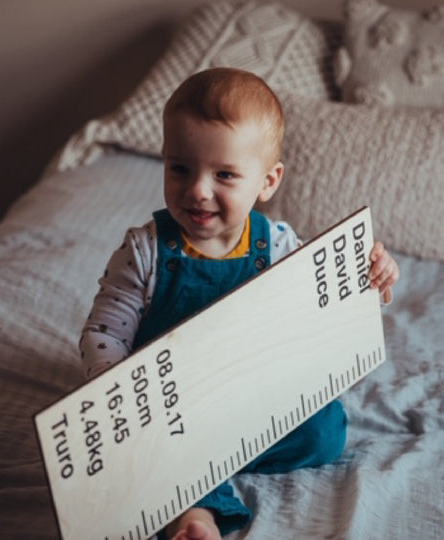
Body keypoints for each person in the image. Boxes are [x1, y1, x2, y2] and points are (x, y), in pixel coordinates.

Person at [80, 67, 400, 540]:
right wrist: (120, 393)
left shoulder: (280, 245)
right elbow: (103, 334)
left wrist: (372, 278)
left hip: (250, 399)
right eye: (180, 168)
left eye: (224, 174)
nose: (198, 190)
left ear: (267, 182)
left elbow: (326, 311)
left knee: (326, 431)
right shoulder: (145, 250)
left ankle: (212, 461)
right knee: (158, 456)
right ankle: (195, 511)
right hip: (173, 409)